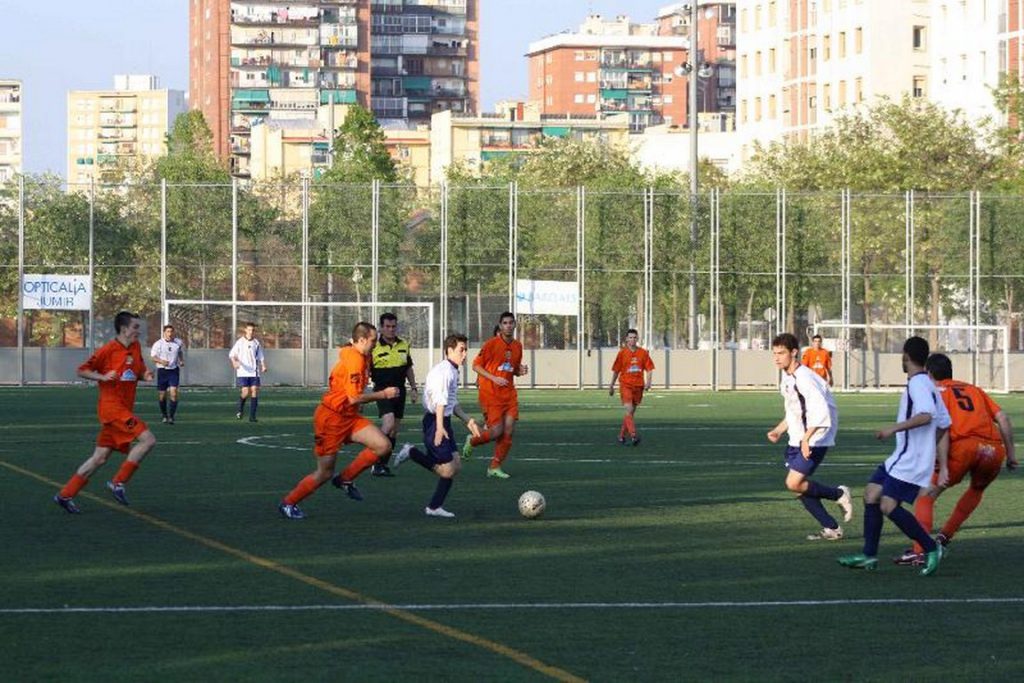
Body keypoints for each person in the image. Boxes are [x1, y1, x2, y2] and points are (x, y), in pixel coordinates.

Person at [838, 336, 951, 576]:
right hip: (903, 456)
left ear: (906, 356)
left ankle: (931, 548)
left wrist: (893, 429)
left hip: (910, 460)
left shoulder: (919, 384)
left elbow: (927, 416)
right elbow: (944, 425)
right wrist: (943, 465)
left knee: (888, 505)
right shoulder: (927, 383)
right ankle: (868, 556)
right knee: (871, 494)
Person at [895, 353, 1019, 564]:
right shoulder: (974, 389)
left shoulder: (934, 391)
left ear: (930, 373)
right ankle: (943, 537)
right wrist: (1011, 454)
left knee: (926, 495)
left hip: (962, 447)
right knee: (977, 489)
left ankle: (921, 550)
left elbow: (931, 424)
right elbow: (1003, 418)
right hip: (993, 449)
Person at [278, 322, 399, 519]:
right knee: (325, 473)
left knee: (383, 446)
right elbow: (353, 397)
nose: (376, 344)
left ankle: (345, 479)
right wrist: (383, 394)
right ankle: (288, 503)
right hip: (331, 419)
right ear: (361, 340)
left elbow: (352, 394)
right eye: (373, 340)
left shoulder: (363, 356)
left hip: (349, 416)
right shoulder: (355, 360)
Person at [53, 311, 157, 513]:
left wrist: (146, 374)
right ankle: (118, 482)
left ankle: (65, 495)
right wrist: (101, 377)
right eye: (135, 327)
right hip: (113, 408)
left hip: (123, 409)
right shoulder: (108, 350)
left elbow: (137, 371)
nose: (139, 331)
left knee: (99, 457)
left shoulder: (135, 347)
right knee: (148, 440)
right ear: (124, 329)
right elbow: (82, 370)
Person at [766, 333, 853, 540]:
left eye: (782, 353)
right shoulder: (787, 378)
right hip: (797, 438)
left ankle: (838, 494)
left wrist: (807, 439)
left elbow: (820, 410)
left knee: (793, 483)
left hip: (816, 437)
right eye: (774, 353)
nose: (777, 358)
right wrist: (779, 429)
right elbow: (795, 412)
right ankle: (831, 528)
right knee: (798, 488)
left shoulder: (804, 378)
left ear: (794, 353)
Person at [390, 333, 482, 517]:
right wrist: (440, 428)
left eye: (466, 350)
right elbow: (440, 402)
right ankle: (412, 454)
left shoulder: (452, 369)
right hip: (435, 422)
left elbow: (451, 402)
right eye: (461, 350)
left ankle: (434, 506)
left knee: (455, 465)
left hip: (442, 421)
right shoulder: (445, 372)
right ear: (449, 350)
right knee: (447, 470)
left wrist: (468, 420)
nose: (464, 354)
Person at [461, 312, 528, 479]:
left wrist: (520, 371)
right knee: (496, 431)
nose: (508, 326)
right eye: (505, 323)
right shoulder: (491, 344)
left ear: (514, 325)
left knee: (508, 431)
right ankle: (472, 440)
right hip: (490, 394)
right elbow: (476, 366)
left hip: (509, 394)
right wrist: (493, 378)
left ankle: (494, 466)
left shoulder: (518, 346)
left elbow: (512, 369)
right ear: (500, 325)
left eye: (511, 323)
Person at [369, 312, 418, 477]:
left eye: (393, 326)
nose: (391, 329)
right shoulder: (373, 347)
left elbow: (408, 368)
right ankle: (373, 460)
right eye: (387, 326)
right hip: (382, 390)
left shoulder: (404, 344)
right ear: (381, 328)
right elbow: (366, 370)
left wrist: (413, 388)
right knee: (388, 423)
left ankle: (382, 465)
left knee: (394, 431)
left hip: (400, 390)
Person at [608, 329, 655, 445]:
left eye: (634, 337)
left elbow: (649, 369)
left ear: (637, 339)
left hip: (638, 386)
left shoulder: (643, 353)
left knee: (630, 413)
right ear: (626, 339)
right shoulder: (622, 353)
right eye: (630, 337)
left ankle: (621, 436)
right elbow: (616, 370)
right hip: (626, 385)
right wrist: (611, 385)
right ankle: (634, 436)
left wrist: (648, 382)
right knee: (629, 410)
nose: (632, 340)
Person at [228, 322, 267, 422]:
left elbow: (260, 356)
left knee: (254, 390)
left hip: (254, 371)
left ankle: (252, 417)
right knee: (245, 392)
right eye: (249, 330)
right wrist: (234, 363)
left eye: (253, 330)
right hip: (243, 371)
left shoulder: (256, 343)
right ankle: (240, 409)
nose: (251, 332)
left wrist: (263, 365)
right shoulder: (240, 342)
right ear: (245, 330)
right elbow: (232, 354)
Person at [151, 324, 185, 424]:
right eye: (168, 332)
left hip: (174, 371)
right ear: (164, 333)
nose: (170, 334)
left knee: (174, 393)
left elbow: (179, 352)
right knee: (162, 395)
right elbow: (153, 357)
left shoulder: (178, 342)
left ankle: (171, 417)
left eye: (171, 331)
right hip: (162, 371)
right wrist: (161, 361)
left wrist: (181, 360)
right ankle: (164, 415)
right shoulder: (158, 344)